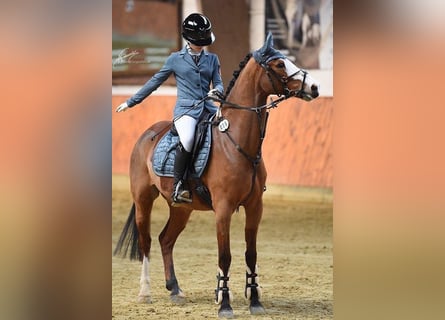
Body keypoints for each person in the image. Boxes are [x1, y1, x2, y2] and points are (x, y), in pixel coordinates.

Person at [115, 13, 224, 205]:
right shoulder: (175, 60)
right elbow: (155, 82)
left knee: (227, 132)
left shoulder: (213, 59)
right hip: (186, 111)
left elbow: (219, 83)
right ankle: (179, 186)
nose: (202, 44)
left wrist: (217, 91)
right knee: (188, 139)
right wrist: (131, 101)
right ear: (189, 39)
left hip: (209, 107)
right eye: (199, 41)